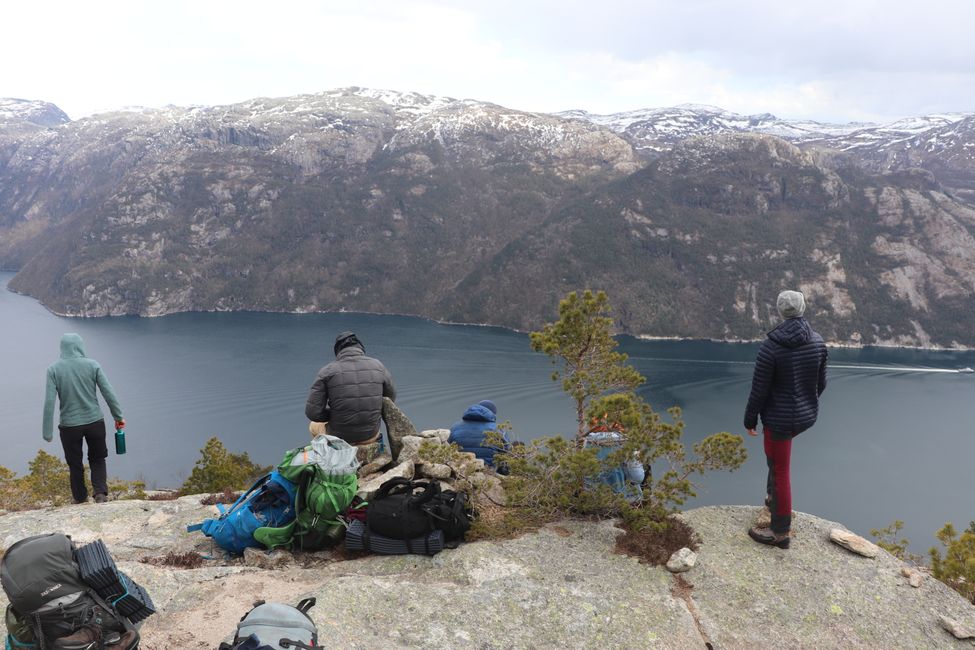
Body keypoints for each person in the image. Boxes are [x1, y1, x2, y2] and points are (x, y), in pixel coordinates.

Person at [743, 290, 828, 549]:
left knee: (780, 470)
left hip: (779, 421)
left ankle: (780, 533)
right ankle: (772, 503)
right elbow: (820, 384)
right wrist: (805, 404)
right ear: (802, 308)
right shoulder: (817, 341)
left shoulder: (771, 347)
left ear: (780, 311)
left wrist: (750, 420)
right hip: (803, 417)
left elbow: (759, 389)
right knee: (776, 461)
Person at [42, 333, 125, 504]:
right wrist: (118, 417)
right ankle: (100, 494)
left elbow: (49, 402)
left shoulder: (53, 369)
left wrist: (47, 432)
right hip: (95, 422)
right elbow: (108, 393)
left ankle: (80, 498)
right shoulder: (92, 365)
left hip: (69, 427)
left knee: (75, 464)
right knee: (97, 459)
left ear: (62, 348)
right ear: (80, 346)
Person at [305, 331, 396, 446]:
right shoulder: (378, 366)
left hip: (340, 437)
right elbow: (390, 398)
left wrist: (335, 414)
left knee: (313, 425)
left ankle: (330, 453)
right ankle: (374, 449)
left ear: (338, 350)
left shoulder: (327, 371)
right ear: (360, 347)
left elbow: (313, 413)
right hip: (370, 434)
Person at [448, 400, 511, 473]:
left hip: (461, 468)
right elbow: (506, 452)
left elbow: (449, 447)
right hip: (488, 471)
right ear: (492, 414)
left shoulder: (455, 427)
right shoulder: (498, 429)